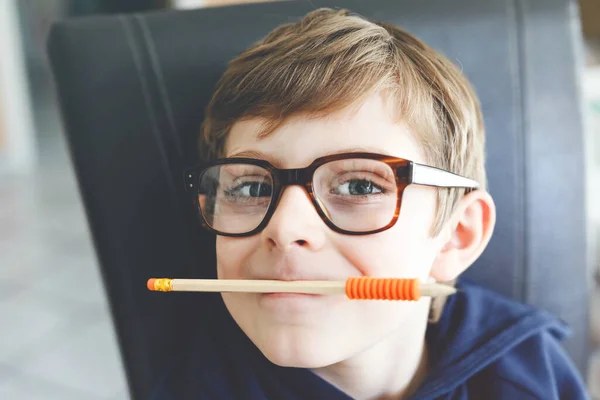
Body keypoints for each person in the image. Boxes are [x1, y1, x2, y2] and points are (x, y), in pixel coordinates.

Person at [152, 8, 589, 399]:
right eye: (249, 189)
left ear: (456, 236)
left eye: (360, 186)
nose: (285, 229)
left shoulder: (530, 372)